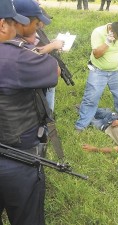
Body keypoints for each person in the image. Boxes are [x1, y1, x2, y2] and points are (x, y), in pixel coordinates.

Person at [0, 0, 59, 224]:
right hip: (17, 159)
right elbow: (52, 70)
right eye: (14, 25)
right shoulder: (14, 58)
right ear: (3, 25)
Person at [75, 22, 118, 132]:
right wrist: (107, 42)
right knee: (91, 99)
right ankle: (81, 126)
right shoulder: (98, 32)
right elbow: (96, 55)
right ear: (110, 29)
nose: (116, 40)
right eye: (115, 37)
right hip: (98, 71)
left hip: (116, 71)